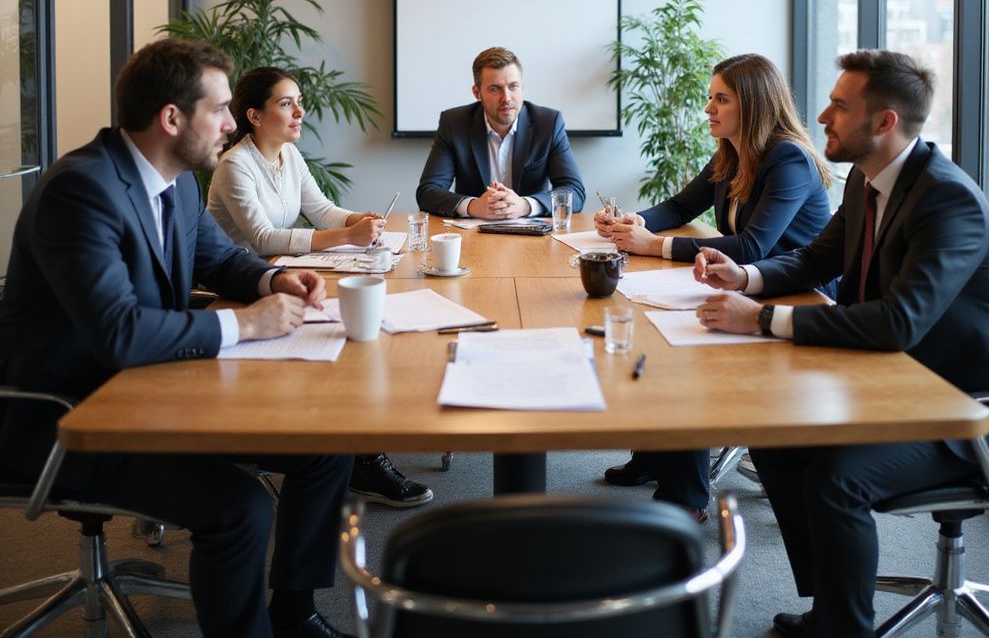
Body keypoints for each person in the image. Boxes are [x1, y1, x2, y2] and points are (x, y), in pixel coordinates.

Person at [0, 40, 353, 638]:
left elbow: (221, 260)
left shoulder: (178, 182)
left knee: (327, 445)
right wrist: (246, 323)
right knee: (240, 507)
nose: (228, 122)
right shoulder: (81, 191)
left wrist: (275, 277)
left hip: (155, 390)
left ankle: (294, 612)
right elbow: (119, 333)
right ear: (171, 118)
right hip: (72, 415)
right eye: (218, 109)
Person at [690, 50, 989, 638]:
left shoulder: (947, 201)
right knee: (777, 435)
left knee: (836, 477)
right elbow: (817, 259)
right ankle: (835, 607)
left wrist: (763, 322)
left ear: (885, 122)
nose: (821, 115)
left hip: (972, 409)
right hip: (899, 381)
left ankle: (845, 628)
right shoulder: (865, 180)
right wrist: (747, 278)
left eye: (840, 107)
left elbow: (899, 323)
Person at [594, 53, 834, 520]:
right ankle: (656, 457)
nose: (708, 108)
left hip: (797, 295)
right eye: (710, 97)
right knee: (649, 330)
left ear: (755, 105)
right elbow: (680, 206)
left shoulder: (788, 158)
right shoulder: (731, 151)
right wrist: (635, 223)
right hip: (746, 285)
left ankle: (685, 494)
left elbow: (754, 244)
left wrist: (655, 247)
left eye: (721, 99)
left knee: (684, 353)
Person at [208, 66, 433, 509]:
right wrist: (348, 238)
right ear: (254, 115)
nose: (300, 112)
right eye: (287, 103)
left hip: (280, 279)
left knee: (365, 328)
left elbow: (322, 209)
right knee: (349, 341)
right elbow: (263, 238)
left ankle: (359, 453)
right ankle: (360, 458)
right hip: (238, 291)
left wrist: (357, 221)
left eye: (299, 101)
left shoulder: (289, 156)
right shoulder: (235, 165)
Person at [416, 46, 586, 219]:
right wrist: (473, 206)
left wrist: (525, 205)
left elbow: (574, 191)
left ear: (522, 88)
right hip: (473, 235)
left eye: (513, 87)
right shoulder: (454, 123)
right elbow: (428, 192)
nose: (506, 98)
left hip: (533, 236)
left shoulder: (548, 123)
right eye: (495, 89)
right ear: (477, 93)